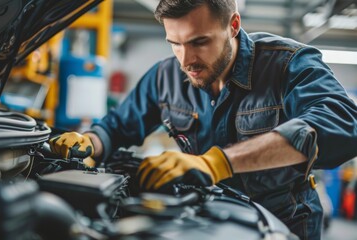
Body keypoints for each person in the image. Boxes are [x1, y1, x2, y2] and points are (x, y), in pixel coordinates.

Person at [49, 0, 357, 239]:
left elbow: (342, 124)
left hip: (284, 222)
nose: (186, 60)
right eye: (175, 43)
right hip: (203, 219)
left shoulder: (288, 63)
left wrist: (217, 163)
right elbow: (116, 128)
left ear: (233, 25)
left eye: (199, 42)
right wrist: (90, 141)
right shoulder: (164, 77)